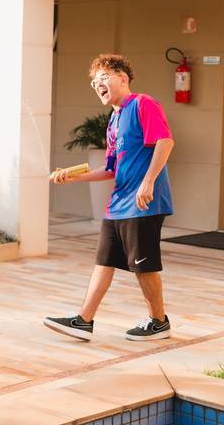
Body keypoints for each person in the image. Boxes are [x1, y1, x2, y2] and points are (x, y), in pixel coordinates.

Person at [44, 54, 174, 342]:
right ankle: (84, 320)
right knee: (103, 261)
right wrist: (72, 176)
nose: (97, 85)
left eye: (103, 78)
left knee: (144, 266)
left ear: (122, 78)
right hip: (118, 204)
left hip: (143, 203)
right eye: (94, 82)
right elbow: (110, 169)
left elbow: (165, 141)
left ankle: (158, 321)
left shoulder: (143, 104)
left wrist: (148, 182)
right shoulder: (114, 119)